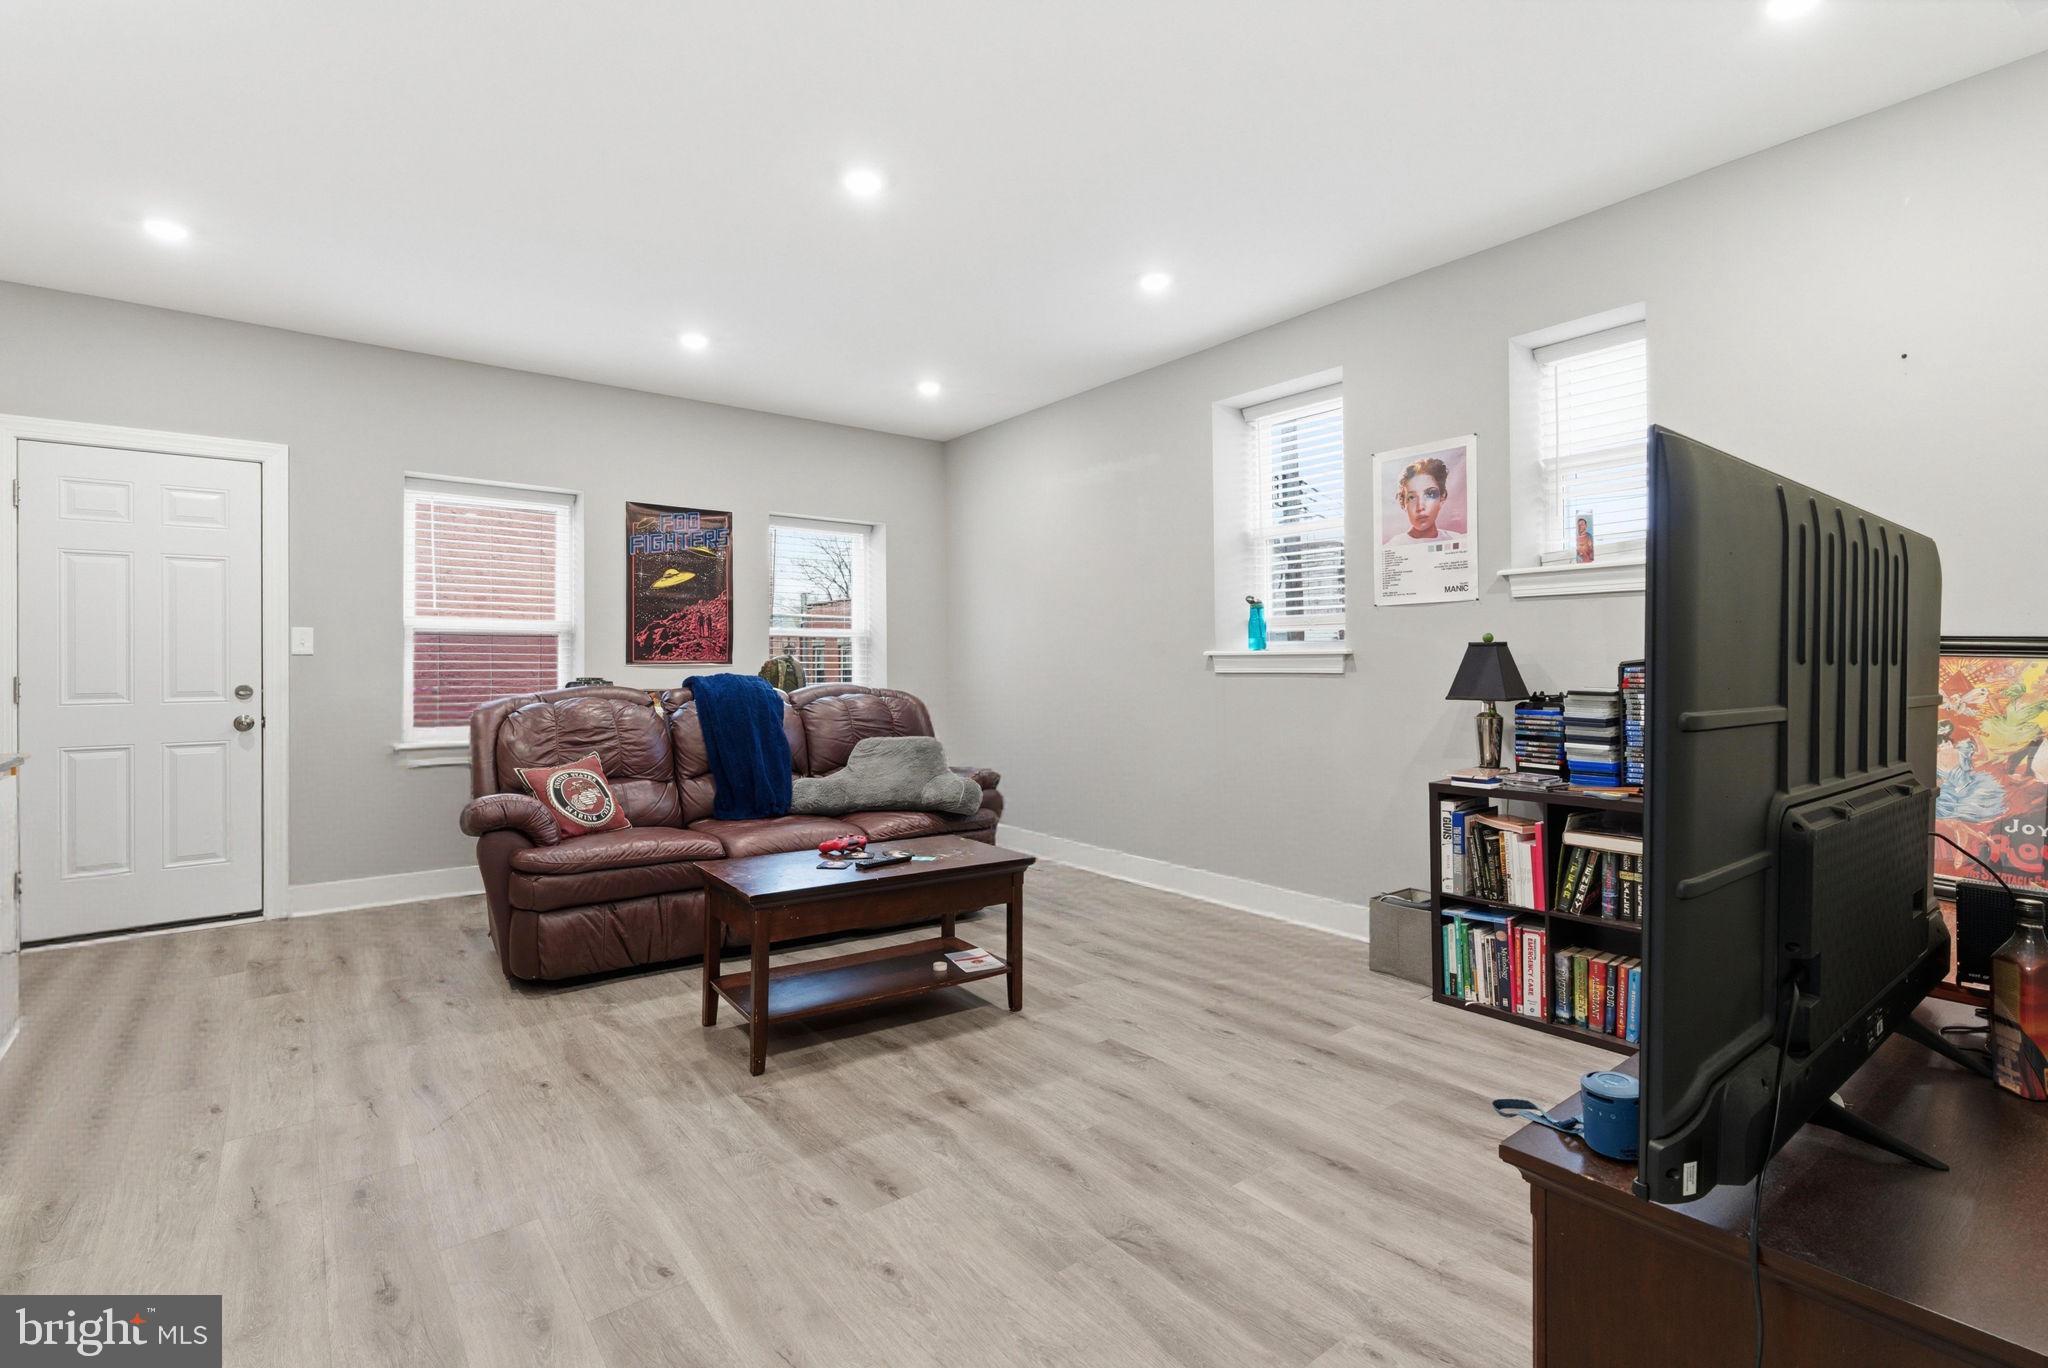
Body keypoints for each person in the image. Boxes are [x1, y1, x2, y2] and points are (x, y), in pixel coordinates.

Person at [1393, 457, 1458, 541]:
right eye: (1412, 497)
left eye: (1430, 494)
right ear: (1403, 503)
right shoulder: (1394, 545)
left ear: (1442, 497)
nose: (1420, 507)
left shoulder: (1457, 539)